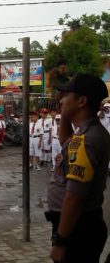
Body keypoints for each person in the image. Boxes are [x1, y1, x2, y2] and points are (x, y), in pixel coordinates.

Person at [46, 73, 110, 263]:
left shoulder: (87, 140)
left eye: (65, 95)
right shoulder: (86, 132)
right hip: (80, 225)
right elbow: (65, 142)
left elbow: (75, 196)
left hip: (78, 230)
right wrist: (66, 113)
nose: (60, 100)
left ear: (82, 100)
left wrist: (61, 241)